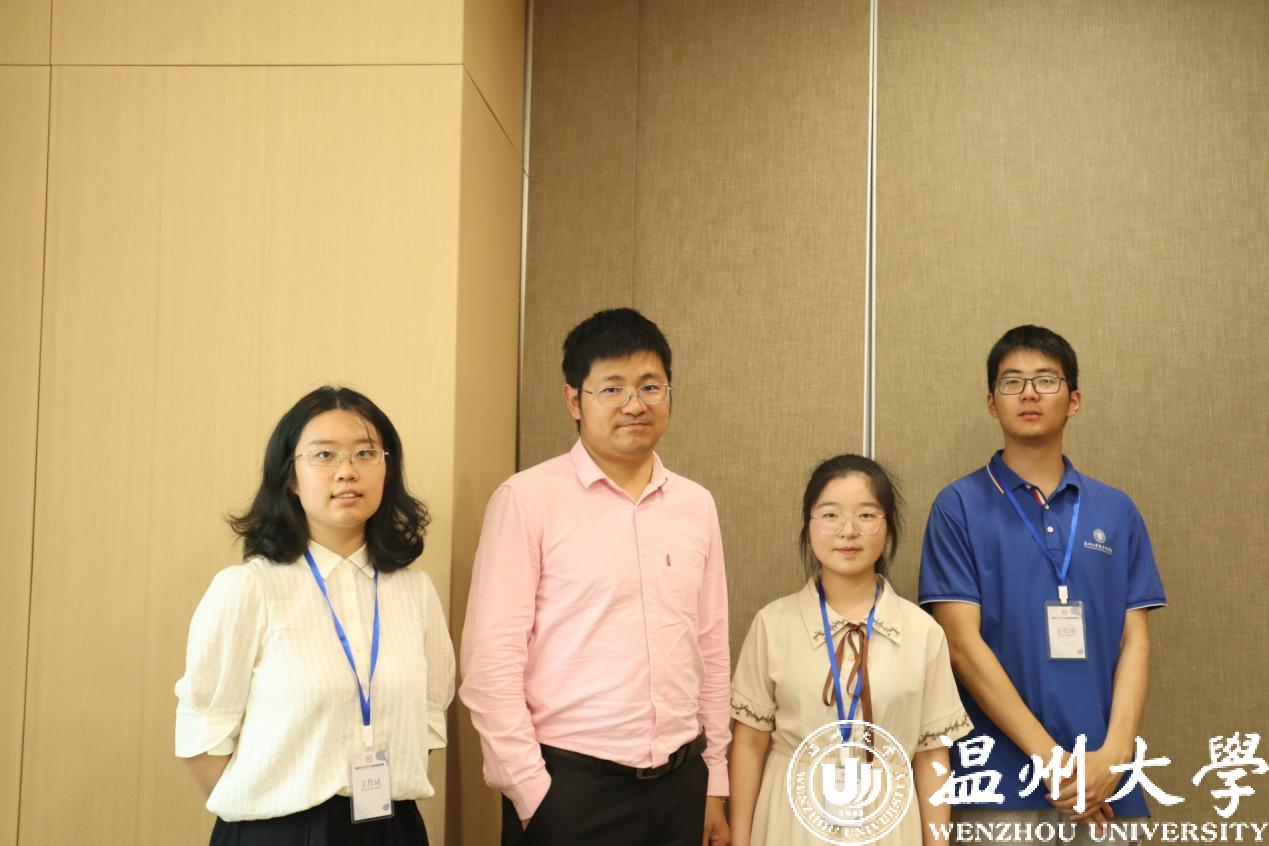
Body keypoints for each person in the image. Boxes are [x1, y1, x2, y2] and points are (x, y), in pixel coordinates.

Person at [460, 308, 732, 846]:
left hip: (681, 786)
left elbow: (711, 647)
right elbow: (491, 664)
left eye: (650, 386)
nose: (635, 404)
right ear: (573, 401)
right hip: (569, 789)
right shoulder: (527, 500)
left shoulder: (696, 504)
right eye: (612, 388)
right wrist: (533, 795)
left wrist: (714, 781)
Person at [175, 386, 455, 845]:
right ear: (290, 477)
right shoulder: (250, 587)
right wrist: (267, 812)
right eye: (324, 455)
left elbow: (428, 715)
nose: (347, 471)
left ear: (387, 468)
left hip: (392, 827)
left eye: (365, 453)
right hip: (280, 828)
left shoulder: (415, 591)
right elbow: (202, 732)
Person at [919, 326, 1167, 841]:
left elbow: (1136, 642)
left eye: (1046, 380)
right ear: (992, 403)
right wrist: (1051, 760)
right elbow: (961, 646)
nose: (1028, 393)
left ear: (1073, 400)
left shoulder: (1116, 510)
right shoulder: (958, 506)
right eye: (1012, 382)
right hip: (999, 788)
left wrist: (1115, 756)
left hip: (1107, 788)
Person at [729, 454, 971, 846]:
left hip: (889, 821)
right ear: (808, 528)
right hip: (790, 819)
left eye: (866, 515)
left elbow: (931, 755)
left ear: (888, 530)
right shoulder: (772, 624)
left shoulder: (923, 632)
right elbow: (749, 744)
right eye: (830, 515)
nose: (848, 530)